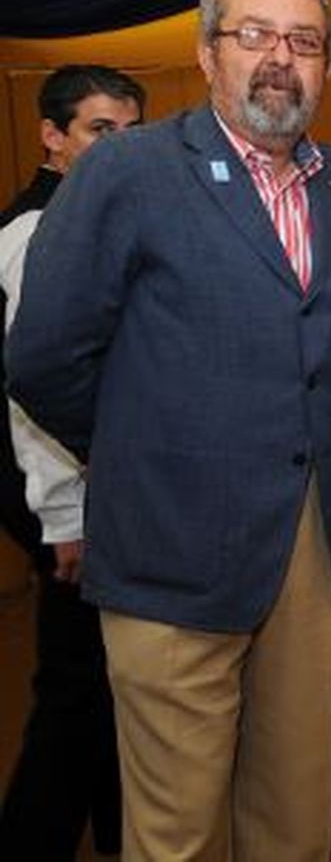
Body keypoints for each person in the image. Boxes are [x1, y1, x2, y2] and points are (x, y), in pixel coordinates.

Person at [6, 0, 331, 862]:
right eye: (253, 34)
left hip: (308, 545)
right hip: (169, 543)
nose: (279, 59)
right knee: (179, 833)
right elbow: (42, 352)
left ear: (326, 66)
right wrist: (147, 449)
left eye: (303, 41)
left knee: (293, 821)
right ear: (207, 52)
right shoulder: (129, 174)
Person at [0, 64, 143, 860]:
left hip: (95, 508)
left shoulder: (95, 218)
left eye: (130, 132)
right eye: (100, 131)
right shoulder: (35, 232)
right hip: (72, 519)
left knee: (109, 705)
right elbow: (33, 385)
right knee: (75, 703)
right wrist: (61, 520)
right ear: (54, 137)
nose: (118, 149)